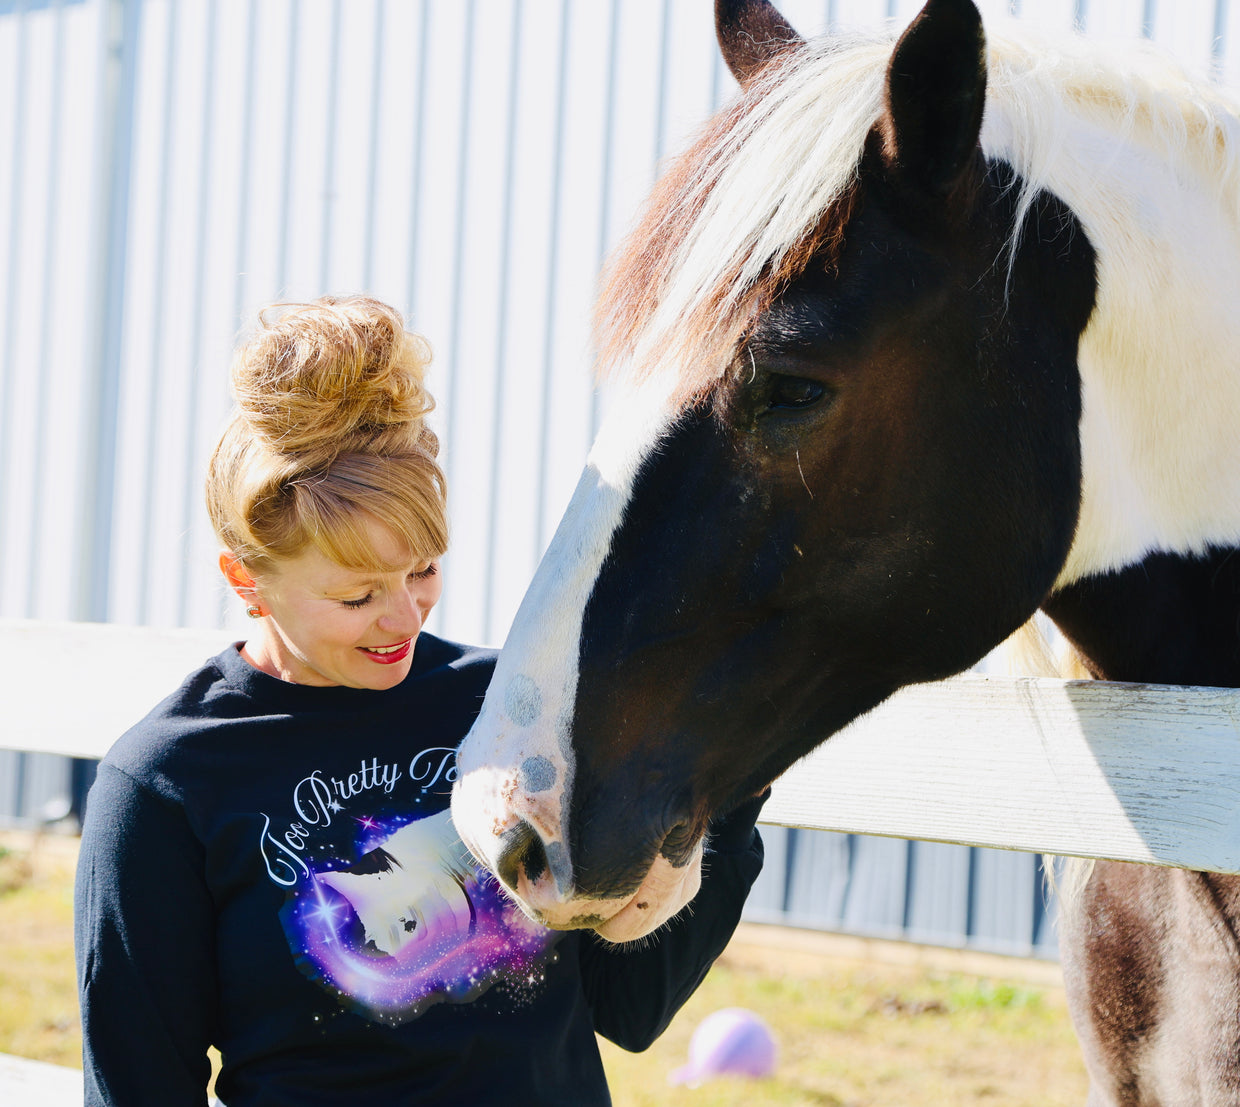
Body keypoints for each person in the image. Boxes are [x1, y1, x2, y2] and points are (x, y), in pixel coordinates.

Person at [73, 296, 767, 1106]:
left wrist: (734, 781)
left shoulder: (510, 705)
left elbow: (632, 1003)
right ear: (245, 580)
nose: (403, 617)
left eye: (422, 570)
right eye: (357, 593)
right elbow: (136, 1083)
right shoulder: (167, 781)